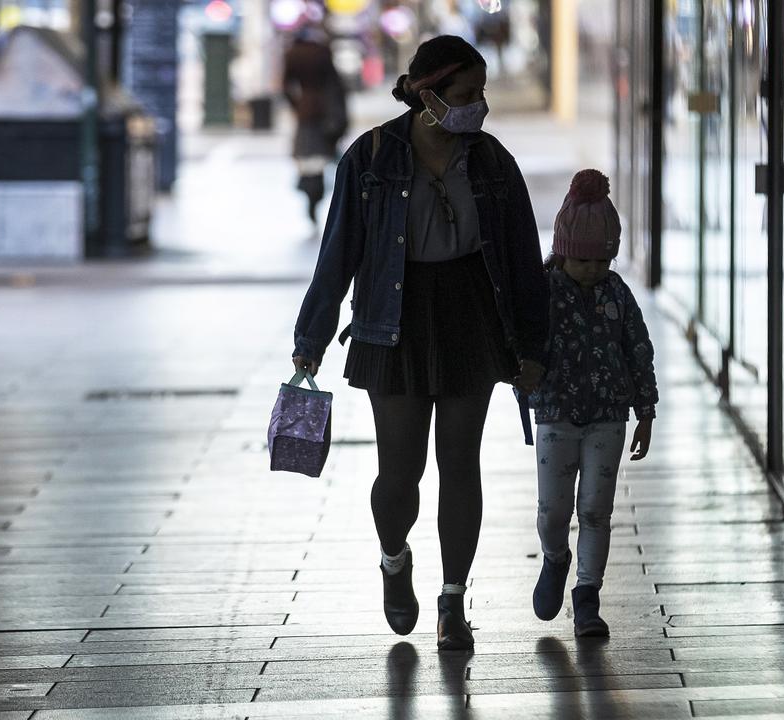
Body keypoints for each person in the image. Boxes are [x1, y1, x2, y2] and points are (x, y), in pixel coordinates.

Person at [291, 35, 547, 651]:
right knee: (399, 472)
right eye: (467, 95)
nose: (478, 107)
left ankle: (453, 601)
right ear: (428, 95)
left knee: (460, 463)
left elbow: (521, 257)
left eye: (481, 95)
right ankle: (394, 557)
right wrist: (312, 338)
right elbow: (338, 254)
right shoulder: (371, 157)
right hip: (391, 320)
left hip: (470, 315)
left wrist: (534, 345)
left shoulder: (490, 161)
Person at [528, 170, 658, 638]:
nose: (593, 270)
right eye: (583, 261)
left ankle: (587, 597)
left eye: (602, 261)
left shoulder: (616, 294)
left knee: (596, 510)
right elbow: (521, 347)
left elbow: (638, 349)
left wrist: (646, 409)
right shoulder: (543, 293)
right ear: (562, 253)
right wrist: (524, 383)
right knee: (553, 511)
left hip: (608, 416)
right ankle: (555, 558)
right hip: (555, 415)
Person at [282, 25, 349, 225]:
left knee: (307, 157)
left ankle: (309, 192)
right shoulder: (322, 54)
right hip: (325, 112)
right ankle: (314, 195)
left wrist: (296, 104)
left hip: (305, 112)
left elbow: (286, 87)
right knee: (320, 159)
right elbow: (336, 85)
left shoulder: (293, 55)